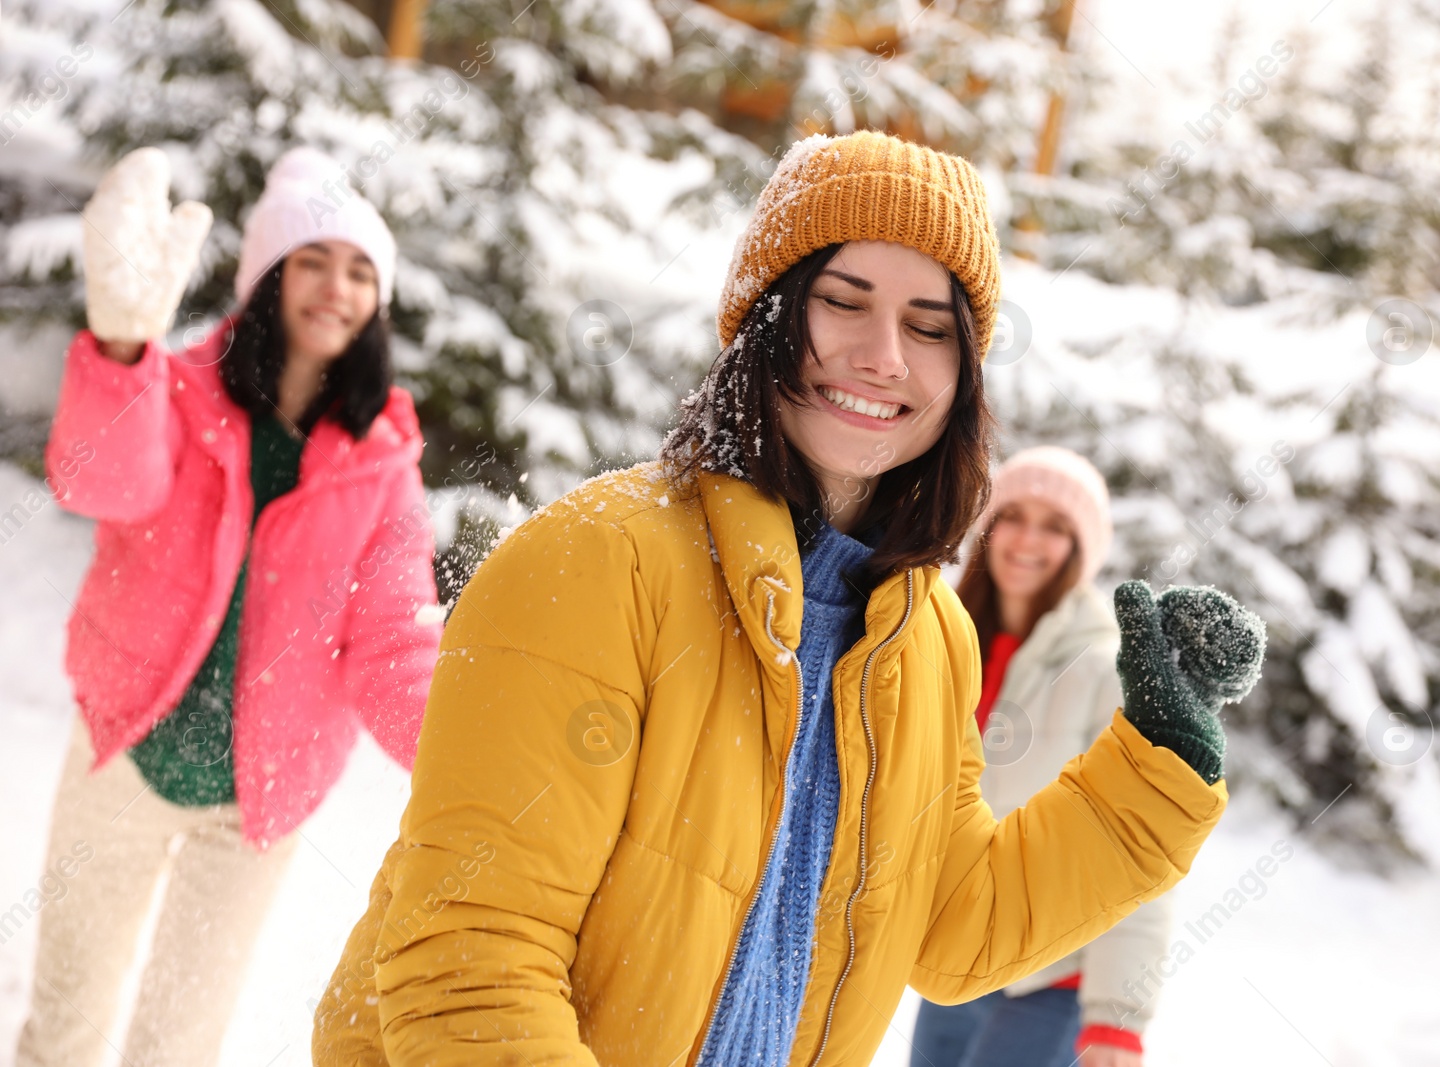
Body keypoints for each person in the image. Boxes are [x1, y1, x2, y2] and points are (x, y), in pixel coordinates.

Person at [313, 129, 1265, 1067]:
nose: (884, 354)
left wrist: (1154, 768)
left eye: (930, 326)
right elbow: (471, 956)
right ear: (767, 317)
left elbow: (948, 925)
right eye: (842, 302)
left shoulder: (929, 637)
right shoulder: (598, 559)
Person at [17, 146, 443, 1067]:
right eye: (313, 261)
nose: (336, 287)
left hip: (257, 803)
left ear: (380, 300)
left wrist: (466, 747)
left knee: (179, 1045)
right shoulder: (173, 391)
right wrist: (122, 346)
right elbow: (99, 483)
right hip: (127, 751)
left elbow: (392, 642)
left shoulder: (381, 465)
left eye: (360, 270)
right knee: (67, 1020)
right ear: (268, 279)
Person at [912, 446, 1170, 1067]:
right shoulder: (942, 639)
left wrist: (1117, 1017)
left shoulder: (1109, 669)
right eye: (1015, 516)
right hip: (957, 958)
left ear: (1083, 550)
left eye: (1055, 527)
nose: (1028, 539)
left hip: (1052, 978)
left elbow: (1139, 845)